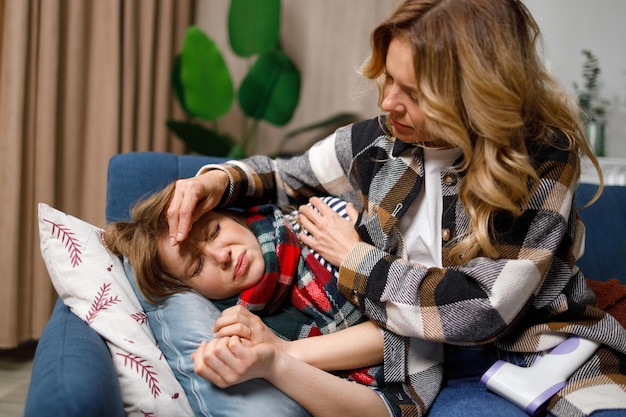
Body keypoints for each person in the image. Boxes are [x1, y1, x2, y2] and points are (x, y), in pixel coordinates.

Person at [166, 1, 626, 417]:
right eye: (388, 78)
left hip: (545, 353)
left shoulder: (543, 157)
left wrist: (356, 260)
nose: (387, 103)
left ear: (480, 94)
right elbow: (287, 176)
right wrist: (217, 182)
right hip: (409, 361)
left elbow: (484, 308)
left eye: (414, 92)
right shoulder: (379, 142)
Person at [104, 183, 396, 414]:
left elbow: (405, 328)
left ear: (234, 215)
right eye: (196, 266)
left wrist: (285, 350)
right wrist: (271, 361)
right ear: (190, 289)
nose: (221, 255)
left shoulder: (323, 226)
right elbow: (381, 410)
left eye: (214, 231)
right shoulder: (237, 326)